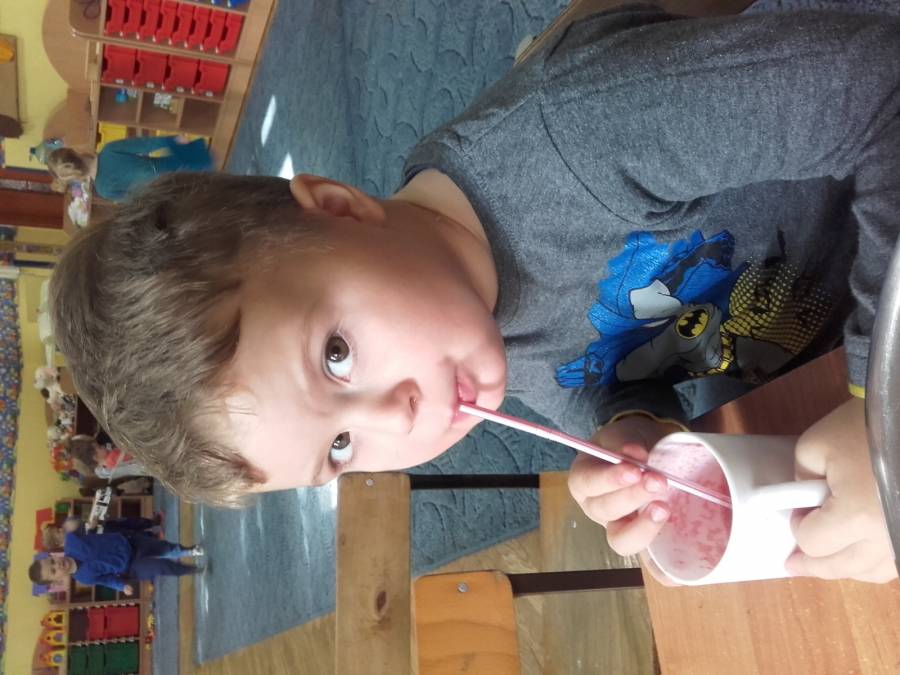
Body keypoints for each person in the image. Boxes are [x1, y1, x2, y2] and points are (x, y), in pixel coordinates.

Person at [49, 6, 899, 584]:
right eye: (340, 446)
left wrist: (882, 418)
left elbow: (886, 91)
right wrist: (629, 424)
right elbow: (596, 365)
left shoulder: (578, 140)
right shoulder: (458, 325)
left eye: (336, 356)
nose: (399, 417)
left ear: (338, 206)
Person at [29, 516, 203, 594]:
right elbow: (106, 580)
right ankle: (190, 569)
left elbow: (78, 523)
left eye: (52, 562)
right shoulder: (84, 578)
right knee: (161, 567)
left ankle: (188, 550)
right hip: (131, 567)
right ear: (56, 579)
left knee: (162, 547)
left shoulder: (71, 542)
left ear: (54, 556)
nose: (57, 565)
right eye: (53, 571)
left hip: (129, 542)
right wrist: (121, 586)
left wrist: (73, 523)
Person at [46, 135, 213, 201]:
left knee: (208, 190)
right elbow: (145, 144)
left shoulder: (104, 190)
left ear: (75, 176)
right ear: (77, 152)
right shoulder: (109, 150)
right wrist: (172, 140)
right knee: (210, 167)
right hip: (173, 168)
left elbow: (136, 201)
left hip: (170, 194)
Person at [41, 514, 164, 551]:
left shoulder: (68, 531)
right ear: (57, 543)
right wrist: (91, 529)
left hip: (103, 525)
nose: (61, 529)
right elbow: (89, 545)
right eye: (58, 532)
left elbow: (79, 521)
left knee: (128, 521)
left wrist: (87, 521)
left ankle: (151, 522)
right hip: (105, 537)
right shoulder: (71, 547)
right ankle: (152, 537)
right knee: (128, 535)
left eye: (58, 528)